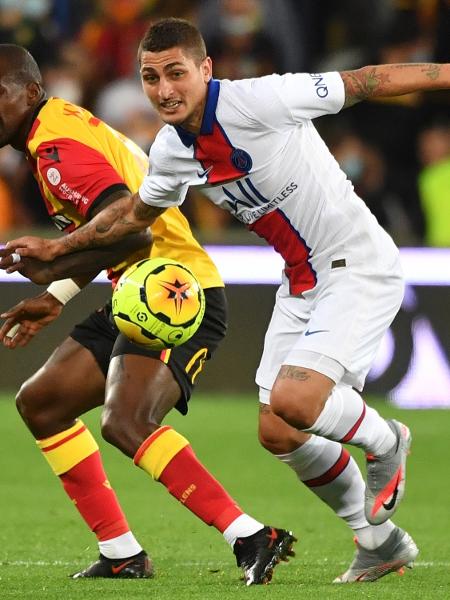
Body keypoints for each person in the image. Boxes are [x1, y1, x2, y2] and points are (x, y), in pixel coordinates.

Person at [6, 21, 448, 582]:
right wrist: (59, 248)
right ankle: (379, 541)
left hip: (356, 262)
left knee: (296, 400)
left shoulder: (262, 99)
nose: (164, 89)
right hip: (300, 280)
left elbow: (365, 80)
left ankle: (388, 440)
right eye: (150, 77)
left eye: (176, 73)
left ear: (205, 69)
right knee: (279, 431)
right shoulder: (170, 149)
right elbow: (131, 217)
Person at [0, 43, 298, 586]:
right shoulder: (57, 132)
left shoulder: (57, 148)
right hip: (138, 289)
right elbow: (112, 230)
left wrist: (55, 259)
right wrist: (58, 294)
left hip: (175, 293)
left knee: (126, 421)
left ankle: (251, 536)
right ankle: (122, 554)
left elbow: (130, 229)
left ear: (30, 92)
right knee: (42, 404)